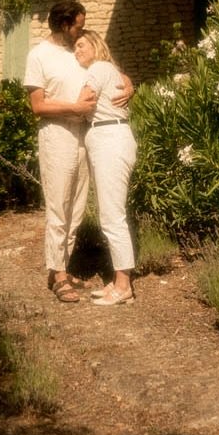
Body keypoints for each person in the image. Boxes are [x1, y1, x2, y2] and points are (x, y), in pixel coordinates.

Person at [22, 0, 102, 302]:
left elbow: (108, 69)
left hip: (83, 134)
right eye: (78, 26)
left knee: (77, 206)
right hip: (56, 135)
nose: (81, 31)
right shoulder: (39, 56)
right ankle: (57, 276)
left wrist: (128, 85)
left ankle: (62, 267)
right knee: (59, 205)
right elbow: (38, 106)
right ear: (64, 25)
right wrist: (74, 107)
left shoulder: (78, 52)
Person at [73, 29, 137, 306]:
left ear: (96, 46)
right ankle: (118, 279)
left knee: (112, 216)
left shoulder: (98, 68)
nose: (77, 50)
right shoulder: (107, 69)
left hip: (110, 139)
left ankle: (123, 286)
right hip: (108, 137)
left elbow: (84, 101)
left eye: (81, 45)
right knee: (110, 213)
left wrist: (54, 107)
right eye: (74, 47)